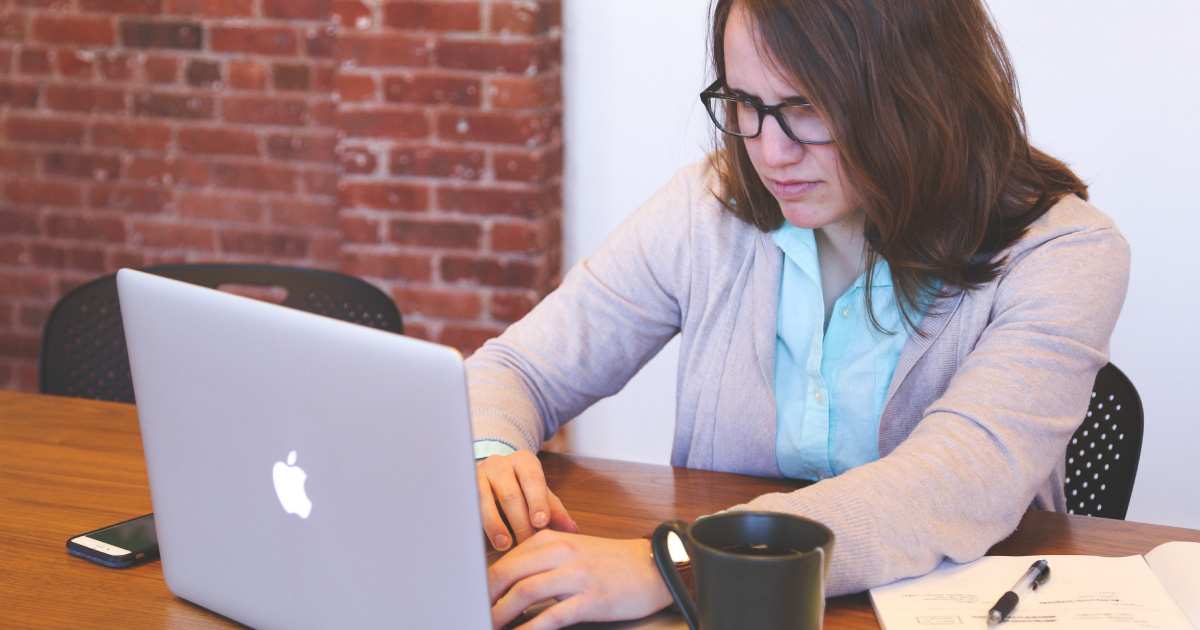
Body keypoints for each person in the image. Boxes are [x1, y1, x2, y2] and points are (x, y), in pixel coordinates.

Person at [468, 0, 1130, 628]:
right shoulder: (704, 212)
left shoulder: (1066, 253)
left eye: (806, 108)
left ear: (920, 89)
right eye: (745, 104)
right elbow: (519, 366)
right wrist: (490, 451)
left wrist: (677, 565)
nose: (769, 152)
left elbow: (954, 484)